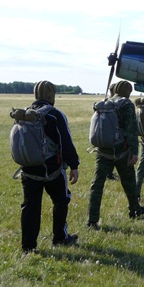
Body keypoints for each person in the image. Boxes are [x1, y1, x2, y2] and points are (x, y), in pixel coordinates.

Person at [19, 81, 80, 254]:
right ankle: (60, 238)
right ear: (51, 94)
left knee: (30, 207)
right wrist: (74, 166)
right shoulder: (55, 115)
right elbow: (65, 143)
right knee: (61, 201)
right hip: (52, 170)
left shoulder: (24, 114)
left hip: (28, 169)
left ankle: (28, 247)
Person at [87, 80, 144, 229]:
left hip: (103, 150)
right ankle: (134, 209)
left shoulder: (105, 102)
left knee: (97, 185)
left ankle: (92, 219)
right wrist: (134, 152)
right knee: (129, 181)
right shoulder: (126, 104)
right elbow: (132, 130)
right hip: (121, 150)